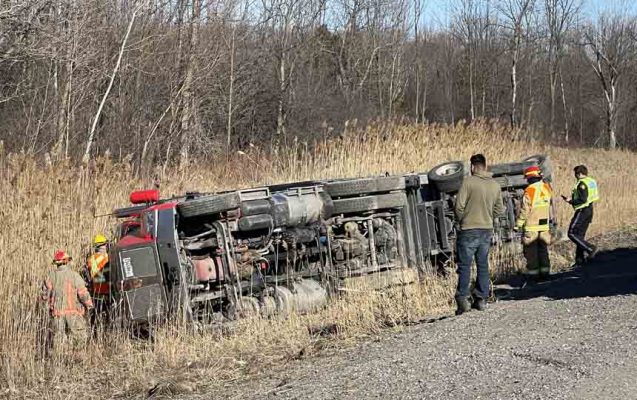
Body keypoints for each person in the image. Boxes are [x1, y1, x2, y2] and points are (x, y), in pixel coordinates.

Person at [454, 154, 505, 315]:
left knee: (464, 266)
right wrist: (487, 217)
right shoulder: (495, 185)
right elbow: (499, 210)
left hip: (469, 229)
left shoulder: (468, 182)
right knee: (482, 264)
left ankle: (463, 298)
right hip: (486, 230)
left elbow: (458, 206)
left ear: (472, 166)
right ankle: (481, 298)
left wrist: (462, 220)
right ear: (485, 165)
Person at [41, 250, 94, 354]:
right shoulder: (74, 276)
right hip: (73, 314)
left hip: (57, 315)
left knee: (59, 340)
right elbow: (83, 294)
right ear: (66, 261)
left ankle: (62, 360)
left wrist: (48, 309)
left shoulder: (50, 277)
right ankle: (76, 360)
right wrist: (89, 305)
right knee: (79, 338)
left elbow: (44, 297)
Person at [515, 166, 553, 280]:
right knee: (543, 250)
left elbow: (525, 210)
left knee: (531, 252)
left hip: (532, 226)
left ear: (530, 178)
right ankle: (545, 273)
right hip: (544, 225)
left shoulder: (530, 190)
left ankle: (534, 276)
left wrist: (518, 225)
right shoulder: (547, 188)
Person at [562, 165, 599, 266]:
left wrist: (570, 201)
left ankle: (590, 248)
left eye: (575, 174)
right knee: (580, 235)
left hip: (582, 210)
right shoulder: (591, 181)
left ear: (579, 174)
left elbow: (583, 199)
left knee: (572, 233)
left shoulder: (582, 184)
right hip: (590, 209)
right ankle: (579, 260)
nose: (575, 176)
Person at [85, 234, 111, 327]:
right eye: (105, 244)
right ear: (103, 245)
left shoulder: (90, 259)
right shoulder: (106, 258)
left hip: (96, 290)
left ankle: (94, 332)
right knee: (109, 314)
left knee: (96, 314)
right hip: (107, 291)